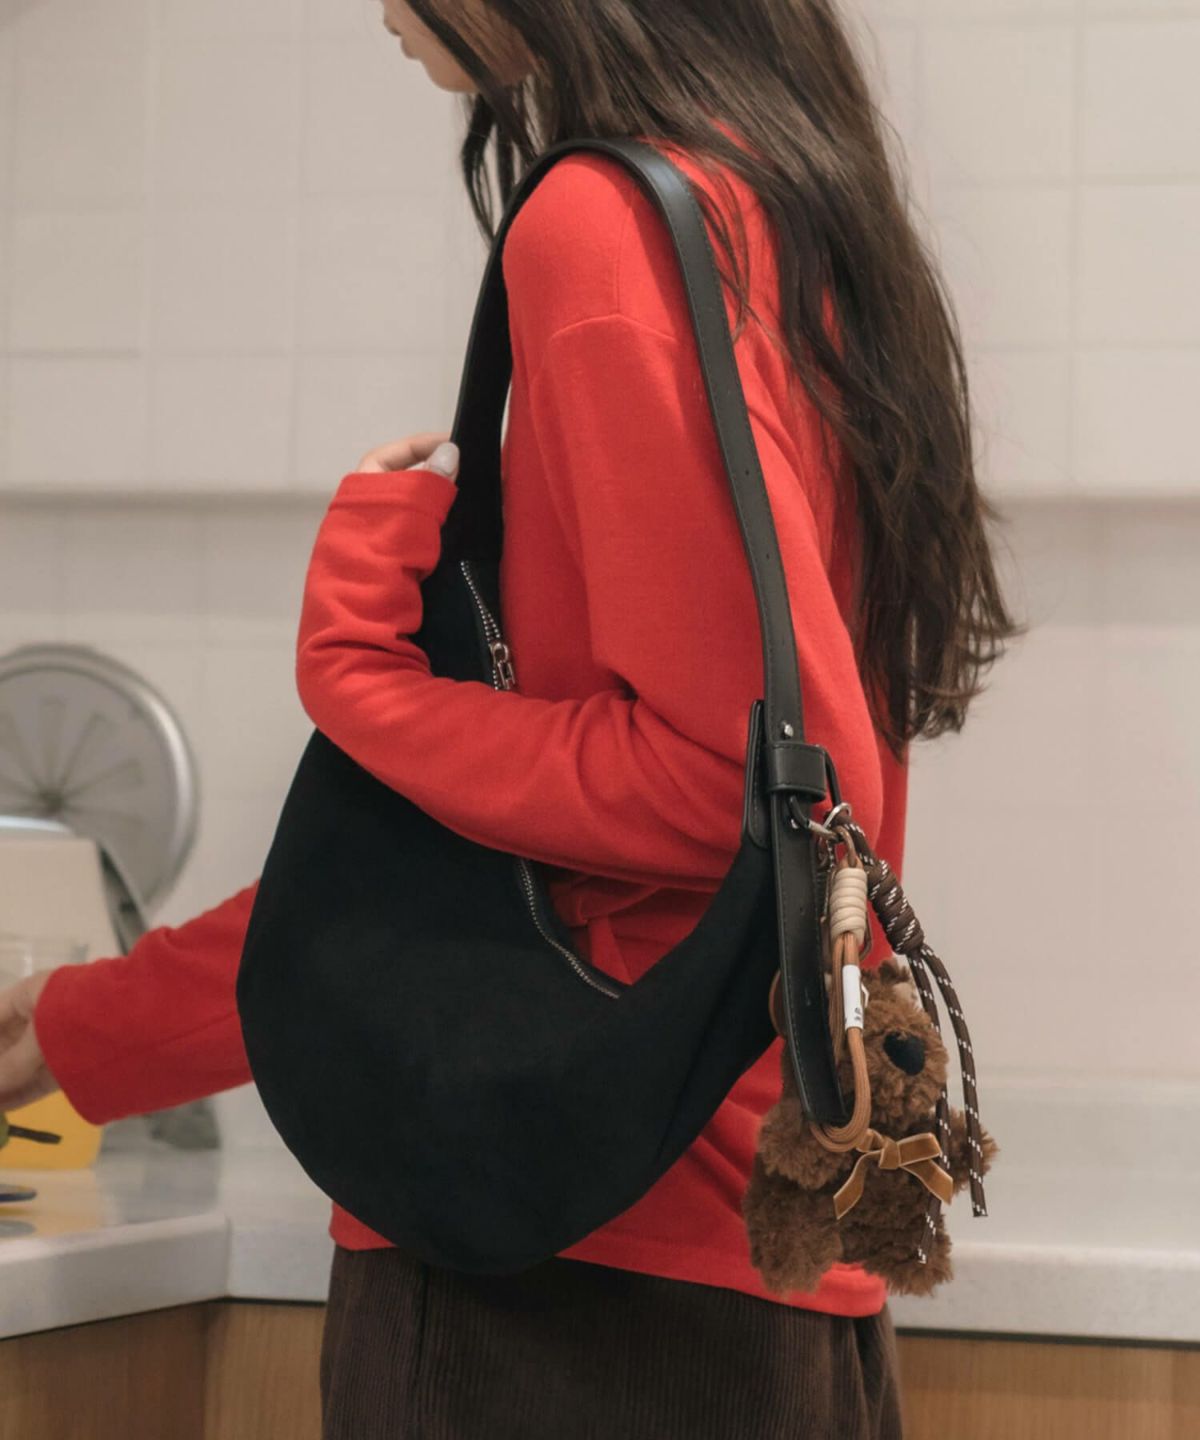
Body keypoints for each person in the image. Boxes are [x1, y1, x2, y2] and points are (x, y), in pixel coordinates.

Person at [0, 2, 1024, 1436]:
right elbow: (509, 873)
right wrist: (87, 1029)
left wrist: (362, 682)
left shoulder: (608, 230)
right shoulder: (787, 218)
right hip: (747, 1242)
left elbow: (711, 786)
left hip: (561, 1275)